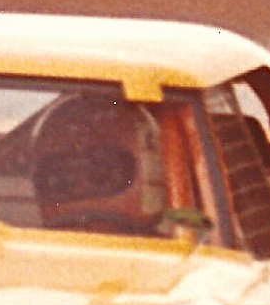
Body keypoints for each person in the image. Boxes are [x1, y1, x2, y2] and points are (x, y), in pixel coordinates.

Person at [29, 93, 171, 235]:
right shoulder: (27, 249)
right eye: (61, 181)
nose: (81, 186)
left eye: (101, 173)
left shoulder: (174, 253)